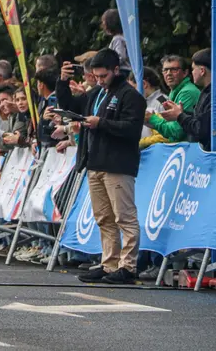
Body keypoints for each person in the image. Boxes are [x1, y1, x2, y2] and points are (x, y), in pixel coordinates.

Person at [58, 49, 146, 284]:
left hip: (117, 164)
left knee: (124, 217)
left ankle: (128, 266)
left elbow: (131, 129)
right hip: (95, 162)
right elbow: (72, 105)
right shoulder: (97, 92)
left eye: (103, 76)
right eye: (96, 76)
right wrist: (63, 83)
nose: (99, 80)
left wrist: (102, 123)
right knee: (103, 217)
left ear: (116, 70)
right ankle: (109, 263)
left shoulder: (131, 96)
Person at [160, 48, 212, 151]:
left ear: (202, 71)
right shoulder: (206, 92)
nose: (169, 73)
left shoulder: (207, 94)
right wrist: (182, 114)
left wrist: (179, 116)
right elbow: (202, 120)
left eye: (193, 69)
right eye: (165, 70)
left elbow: (200, 129)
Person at [146, 55, 200, 143]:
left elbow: (177, 132)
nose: (168, 73)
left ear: (185, 73)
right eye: (165, 70)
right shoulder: (176, 91)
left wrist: (152, 119)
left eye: (174, 69)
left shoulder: (187, 92)